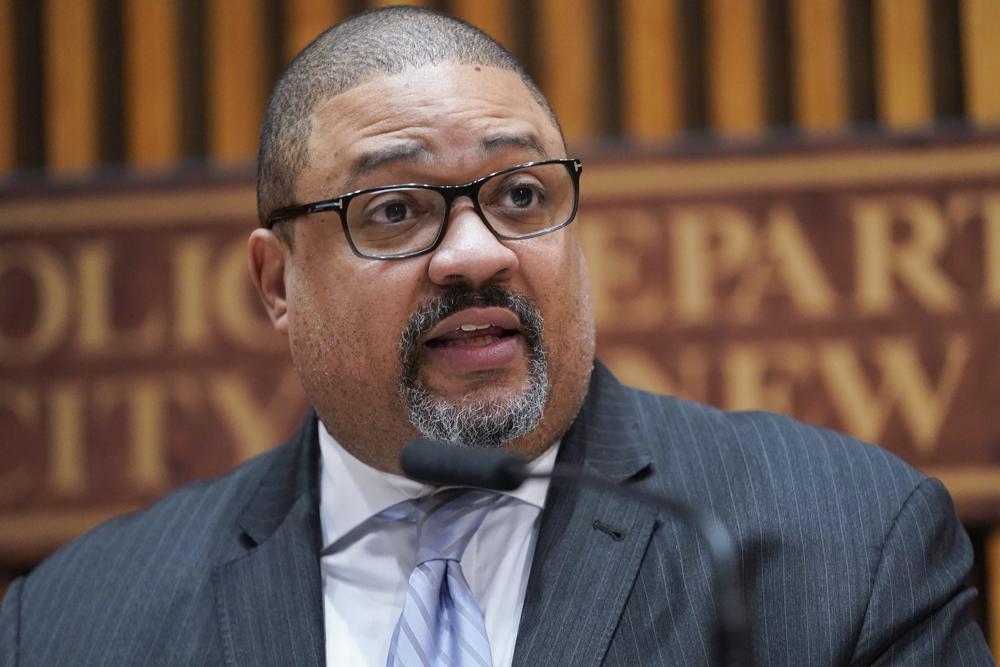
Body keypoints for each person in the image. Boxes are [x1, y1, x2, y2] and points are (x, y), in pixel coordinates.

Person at [1, 6, 993, 666]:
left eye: (522, 194)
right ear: (276, 281)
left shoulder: (838, 546)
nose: (474, 253)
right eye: (393, 210)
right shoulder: (74, 626)